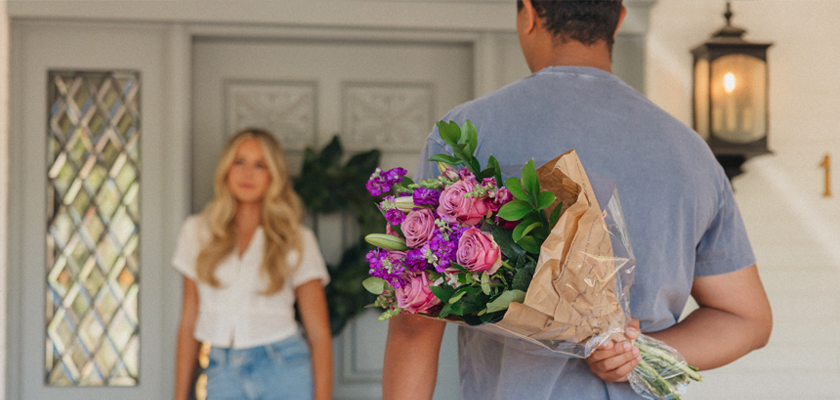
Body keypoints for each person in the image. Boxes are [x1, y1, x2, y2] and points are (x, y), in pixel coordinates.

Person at [383, 1, 773, 399]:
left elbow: (416, 326)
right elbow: (746, 319)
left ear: (529, 14)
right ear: (618, 19)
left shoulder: (469, 134)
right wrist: (636, 352)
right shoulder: (691, 152)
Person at [172, 129, 333, 400]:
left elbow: (318, 332)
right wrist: (179, 396)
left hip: (283, 366)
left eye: (260, 165)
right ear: (226, 169)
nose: (247, 174)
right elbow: (189, 322)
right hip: (220, 371)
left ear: (274, 175)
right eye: (239, 162)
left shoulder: (296, 239)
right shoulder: (196, 231)